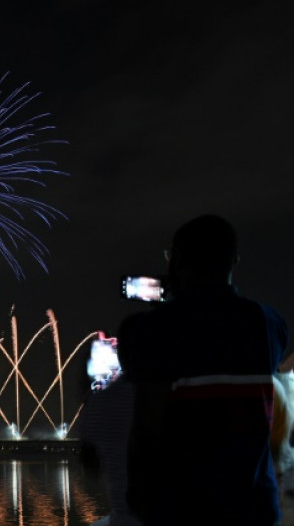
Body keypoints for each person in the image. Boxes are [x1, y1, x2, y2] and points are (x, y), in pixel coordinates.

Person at [116, 214, 289, 526]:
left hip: (184, 509)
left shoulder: (152, 329)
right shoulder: (269, 323)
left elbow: (146, 428)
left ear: (176, 260)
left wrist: (140, 498)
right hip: (255, 507)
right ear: (234, 261)